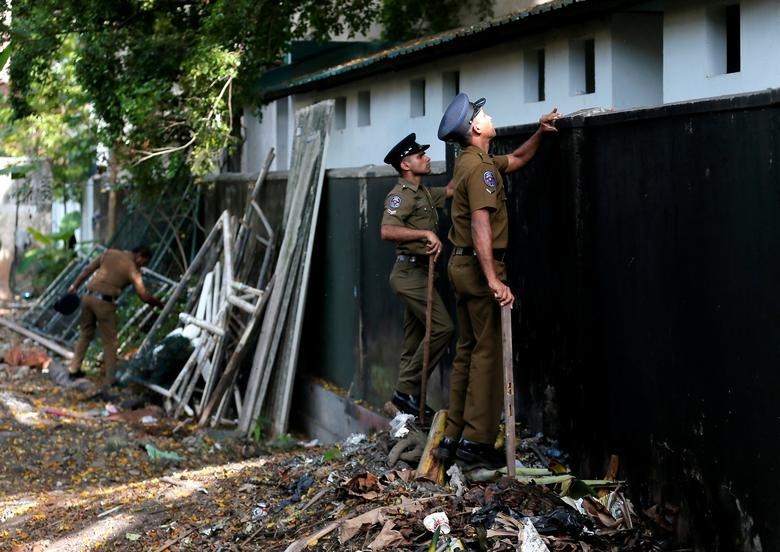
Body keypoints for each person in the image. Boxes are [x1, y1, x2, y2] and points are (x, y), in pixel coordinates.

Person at [436, 93, 559, 467]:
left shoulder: (473, 162)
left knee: (467, 351)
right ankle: (477, 442)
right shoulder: (481, 170)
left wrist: (540, 131)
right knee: (488, 353)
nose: (490, 116)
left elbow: (519, 158)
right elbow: (480, 222)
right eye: (484, 114)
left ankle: (453, 436)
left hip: (460, 266)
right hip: (478, 268)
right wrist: (493, 279)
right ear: (475, 128)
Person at [381, 133, 455, 418]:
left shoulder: (423, 192)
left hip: (423, 274)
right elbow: (387, 230)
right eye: (420, 155)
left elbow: (451, 189)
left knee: (414, 341)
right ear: (406, 164)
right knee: (442, 328)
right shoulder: (400, 195)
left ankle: (408, 405)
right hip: (408, 273)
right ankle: (404, 392)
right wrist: (424, 233)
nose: (426, 157)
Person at [67, 245, 165, 387]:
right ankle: (110, 380)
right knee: (110, 342)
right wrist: (161, 304)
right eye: (144, 262)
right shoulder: (132, 269)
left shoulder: (108, 253)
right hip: (104, 303)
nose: (142, 266)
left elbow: (87, 270)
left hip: (87, 298)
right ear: (140, 256)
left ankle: (73, 369)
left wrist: (74, 286)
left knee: (85, 334)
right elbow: (144, 296)